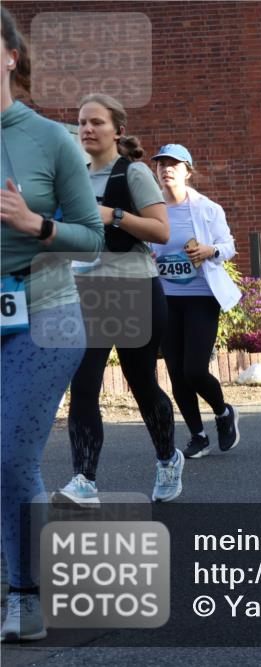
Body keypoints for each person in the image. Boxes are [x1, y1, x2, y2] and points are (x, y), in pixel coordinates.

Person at [1, 6, 104, 641]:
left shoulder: (48, 138)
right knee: (12, 464)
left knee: (9, 454)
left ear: (11, 56)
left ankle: (26, 595)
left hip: (46, 312)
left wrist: (36, 225)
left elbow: (92, 237)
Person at [54, 93, 177, 508]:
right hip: (85, 292)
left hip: (133, 289)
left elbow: (162, 232)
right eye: (82, 122)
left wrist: (114, 216)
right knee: (84, 384)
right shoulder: (71, 176)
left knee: (141, 384)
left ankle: (167, 457)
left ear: (117, 131)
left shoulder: (134, 173)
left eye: (97, 122)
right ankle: (84, 480)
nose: (87, 129)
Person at [149, 144, 242, 458]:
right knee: (176, 371)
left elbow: (228, 246)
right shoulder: (150, 208)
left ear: (188, 171)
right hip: (165, 298)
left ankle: (222, 412)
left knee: (194, 369)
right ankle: (198, 435)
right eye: (161, 164)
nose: (166, 169)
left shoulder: (207, 208)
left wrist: (209, 251)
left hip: (201, 296)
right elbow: (141, 244)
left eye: (174, 164)